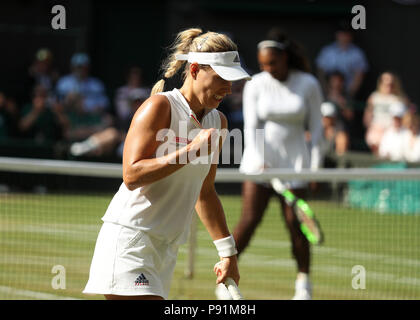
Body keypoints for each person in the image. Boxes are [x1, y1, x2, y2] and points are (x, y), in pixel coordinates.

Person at [83, 28, 251, 300]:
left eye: (232, 81)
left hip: (167, 249)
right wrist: (191, 151)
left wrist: (228, 252)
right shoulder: (158, 107)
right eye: (221, 78)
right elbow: (132, 173)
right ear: (195, 69)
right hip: (131, 240)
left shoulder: (218, 122)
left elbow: (205, 193)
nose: (229, 88)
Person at [232, 28, 323, 300]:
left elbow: (317, 130)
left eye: (271, 63)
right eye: (262, 64)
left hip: (296, 164)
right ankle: (225, 282)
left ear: (284, 58)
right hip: (258, 165)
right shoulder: (256, 84)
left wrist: (315, 168)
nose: (267, 68)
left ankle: (303, 287)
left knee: (296, 226)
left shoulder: (308, 84)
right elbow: (251, 125)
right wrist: (260, 160)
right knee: (248, 221)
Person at [316, 20, 369, 98]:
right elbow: (320, 74)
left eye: (347, 34)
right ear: (337, 34)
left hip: (348, 94)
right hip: (328, 94)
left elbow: (359, 76)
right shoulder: (327, 51)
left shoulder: (357, 53)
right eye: (342, 33)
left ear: (351, 35)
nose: (344, 36)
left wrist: (348, 94)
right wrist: (326, 92)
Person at [363, 71, 411, 155]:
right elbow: (367, 117)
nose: (388, 86)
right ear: (380, 83)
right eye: (385, 83)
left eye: (391, 84)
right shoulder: (374, 97)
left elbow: (408, 115)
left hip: (395, 130)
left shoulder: (400, 98)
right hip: (376, 129)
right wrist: (372, 127)